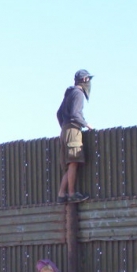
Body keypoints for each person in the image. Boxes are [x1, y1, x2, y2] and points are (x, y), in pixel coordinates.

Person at [56, 69, 94, 204]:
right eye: (89, 79)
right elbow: (75, 113)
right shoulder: (78, 93)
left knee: (70, 163)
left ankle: (62, 194)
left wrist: (64, 126)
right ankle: (71, 194)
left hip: (65, 130)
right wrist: (87, 125)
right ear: (85, 80)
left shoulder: (70, 93)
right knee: (73, 161)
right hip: (73, 129)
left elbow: (59, 113)